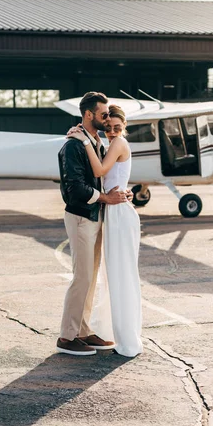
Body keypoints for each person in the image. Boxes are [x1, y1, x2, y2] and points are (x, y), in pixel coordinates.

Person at [56, 92, 133, 356]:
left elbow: (105, 175)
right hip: (81, 216)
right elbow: (74, 187)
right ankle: (67, 337)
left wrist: (120, 192)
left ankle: (84, 331)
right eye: (102, 115)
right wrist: (106, 197)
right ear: (89, 115)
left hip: (97, 215)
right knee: (82, 276)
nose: (106, 118)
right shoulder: (74, 145)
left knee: (91, 277)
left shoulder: (96, 142)